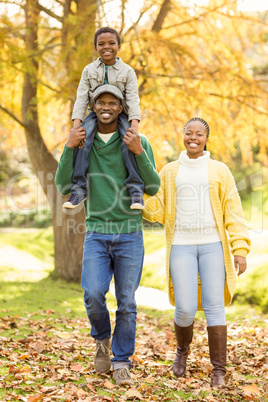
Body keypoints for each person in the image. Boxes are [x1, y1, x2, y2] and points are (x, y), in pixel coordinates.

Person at [55, 85, 160, 386]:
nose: (106, 106)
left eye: (112, 102)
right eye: (100, 102)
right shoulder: (83, 141)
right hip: (97, 232)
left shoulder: (137, 141)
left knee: (126, 302)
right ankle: (101, 339)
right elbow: (64, 185)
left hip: (129, 233)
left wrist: (139, 153)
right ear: (93, 106)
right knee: (92, 293)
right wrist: (68, 146)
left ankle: (121, 361)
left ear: (121, 108)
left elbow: (152, 187)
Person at [142, 117, 251, 388]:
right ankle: (182, 352)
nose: (193, 137)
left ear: (206, 137)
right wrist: (135, 196)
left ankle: (219, 370)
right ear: (183, 136)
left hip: (213, 245)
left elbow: (233, 210)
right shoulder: (169, 171)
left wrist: (239, 249)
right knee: (185, 308)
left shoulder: (219, 170)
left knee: (215, 306)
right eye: (189, 133)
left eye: (199, 133)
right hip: (181, 246)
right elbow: (156, 209)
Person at [63, 26, 144, 210]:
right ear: (96, 47)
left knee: (128, 143)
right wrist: (77, 126)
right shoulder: (89, 70)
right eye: (101, 44)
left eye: (111, 43)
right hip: (95, 114)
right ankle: (78, 189)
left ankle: (136, 192)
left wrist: (134, 126)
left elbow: (132, 98)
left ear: (119, 46)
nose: (106, 47)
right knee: (82, 141)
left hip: (120, 115)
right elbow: (82, 98)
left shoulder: (127, 71)